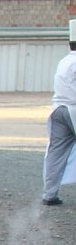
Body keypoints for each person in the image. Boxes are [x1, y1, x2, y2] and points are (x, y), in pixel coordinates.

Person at [42, 19, 76, 206]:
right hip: (74, 108)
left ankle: (49, 194)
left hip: (58, 109)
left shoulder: (64, 61)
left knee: (56, 152)